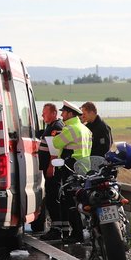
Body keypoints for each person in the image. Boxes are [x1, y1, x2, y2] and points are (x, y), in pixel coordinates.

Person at [47, 100, 93, 243]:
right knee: (80, 201)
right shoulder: (86, 129)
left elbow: (55, 143)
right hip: (84, 169)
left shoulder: (70, 129)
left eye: (64, 112)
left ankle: (77, 234)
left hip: (70, 169)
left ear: (70, 113)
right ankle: (85, 231)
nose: (61, 114)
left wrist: (57, 136)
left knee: (70, 202)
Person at [34, 103, 64, 237]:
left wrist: (51, 166)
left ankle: (56, 229)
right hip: (51, 167)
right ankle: (58, 228)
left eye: (44, 113)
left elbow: (55, 150)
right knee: (52, 198)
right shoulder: (51, 127)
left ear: (53, 114)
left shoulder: (56, 128)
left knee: (53, 198)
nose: (42, 115)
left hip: (53, 169)